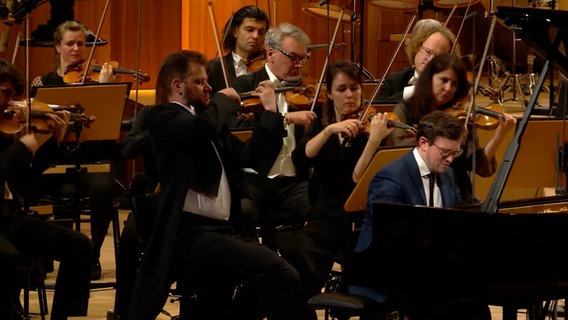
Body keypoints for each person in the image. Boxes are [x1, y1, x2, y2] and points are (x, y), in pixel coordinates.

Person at [128, 50, 304, 320]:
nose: (209, 87)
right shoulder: (163, 118)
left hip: (224, 231)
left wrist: (270, 112)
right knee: (274, 269)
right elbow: (198, 129)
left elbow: (250, 157)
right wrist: (222, 100)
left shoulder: (208, 125)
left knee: (281, 277)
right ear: (178, 85)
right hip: (191, 235)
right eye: (200, 82)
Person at [274, 59, 394, 319]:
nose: (350, 95)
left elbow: (356, 181)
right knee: (297, 260)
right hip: (325, 217)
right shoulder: (322, 124)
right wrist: (329, 130)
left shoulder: (373, 128)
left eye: (354, 88)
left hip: (359, 219)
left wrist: (373, 141)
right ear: (329, 93)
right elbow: (300, 159)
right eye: (341, 89)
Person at [354, 111, 491, 320]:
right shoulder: (390, 177)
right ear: (423, 142)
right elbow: (390, 241)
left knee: (475, 304)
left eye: (456, 152)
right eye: (445, 152)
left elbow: (454, 225)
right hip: (386, 272)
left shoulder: (449, 174)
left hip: (426, 269)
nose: (450, 159)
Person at [0, 58, 93, 319]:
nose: (10, 103)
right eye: (5, 93)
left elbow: (24, 175)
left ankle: (63, 316)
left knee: (80, 246)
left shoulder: (5, 130)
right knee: (7, 258)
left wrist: (55, 142)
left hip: (10, 218)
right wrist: (20, 149)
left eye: (12, 96)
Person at [30, 20, 117, 280]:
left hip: (91, 162)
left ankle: (93, 254)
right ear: (57, 46)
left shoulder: (94, 80)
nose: (77, 49)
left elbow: (108, 129)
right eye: (70, 43)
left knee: (103, 189)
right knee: (29, 185)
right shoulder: (42, 82)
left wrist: (103, 90)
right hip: (53, 162)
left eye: (81, 43)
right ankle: (41, 254)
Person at [232, 22, 317, 249]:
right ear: (271, 54)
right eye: (293, 57)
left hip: (294, 181)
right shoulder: (244, 87)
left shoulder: (306, 92)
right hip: (254, 179)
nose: (298, 65)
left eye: (303, 58)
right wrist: (284, 118)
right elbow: (243, 142)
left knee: (322, 210)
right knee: (242, 211)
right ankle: (253, 272)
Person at [390, 53, 516, 204]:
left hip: (455, 191)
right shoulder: (405, 110)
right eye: (443, 80)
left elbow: (478, 165)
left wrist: (499, 135)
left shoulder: (461, 116)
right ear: (429, 78)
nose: (448, 88)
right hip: (415, 189)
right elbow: (400, 154)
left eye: (454, 83)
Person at [376, 20, 458, 102]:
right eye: (428, 51)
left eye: (438, 56)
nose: (430, 59)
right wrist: (415, 90)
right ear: (417, 48)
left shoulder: (450, 85)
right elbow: (379, 106)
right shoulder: (395, 79)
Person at [207, 5, 270, 94]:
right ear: (235, 32)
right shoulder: (214, 68)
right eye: (250, 30)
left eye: (261, 32)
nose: (256, 36)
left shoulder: (270, 65)